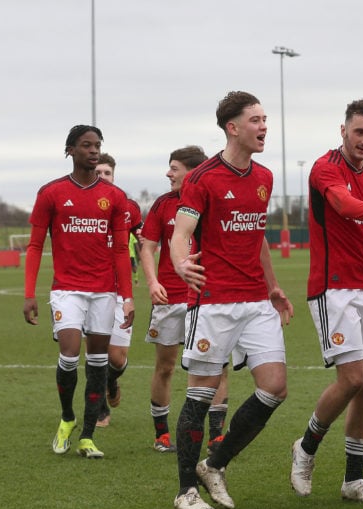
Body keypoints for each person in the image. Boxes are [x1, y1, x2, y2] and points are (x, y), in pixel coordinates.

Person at [169, 91, 293, 509]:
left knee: (275, 387)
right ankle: (186, 490)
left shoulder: (265, 178)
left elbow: (256, 236)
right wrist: (182, 265)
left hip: (256, 300)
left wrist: (273, 286)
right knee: (201, 395)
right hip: (214, 302)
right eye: (255, 120)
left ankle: (214, 464)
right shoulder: (202, 179)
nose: (263, 127)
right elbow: (180, 233)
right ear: (232, 127)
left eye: (265, 120)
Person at [289, 100, 363, 505]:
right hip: (332, 288)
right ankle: (306, 448)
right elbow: (342, 204)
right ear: (343, 130)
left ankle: (354, 479)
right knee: (352, 378)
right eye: (359, 132)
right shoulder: (325, 168)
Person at [23, 124, 134, 459]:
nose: (93, 150)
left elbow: (119, 251)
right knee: (70, 353)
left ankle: (87, 436)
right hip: (67, 290)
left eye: (97, 145)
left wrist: (126, 297)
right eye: (86, 145)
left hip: (104, 291)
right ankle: (67, 417)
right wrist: (29, 293)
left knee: (98, 363)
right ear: (70, 150)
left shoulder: (114, 197)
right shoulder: (51, 193)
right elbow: (34, 245)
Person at [140, 145, 230, 453]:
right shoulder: (162, 205)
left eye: (174, 168)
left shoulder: (215, 199)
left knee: (217, 366)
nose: (168, 173)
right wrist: (152, 282)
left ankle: (217, 435)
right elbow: (148, 248)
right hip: (169, 298)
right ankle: (162, 433)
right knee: (165, 366)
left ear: (192, 172)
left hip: (208, 298)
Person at [94, 153, 143, 428]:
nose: (102, 177)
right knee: (97, 353)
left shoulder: (128, 207)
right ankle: (100, 409)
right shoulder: (82, 206)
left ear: (114, 175)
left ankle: (111, 381)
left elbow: (143, 236)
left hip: (120, 292)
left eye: (107, 173)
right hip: (92, 290)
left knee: (116, 357)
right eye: (98, 172)